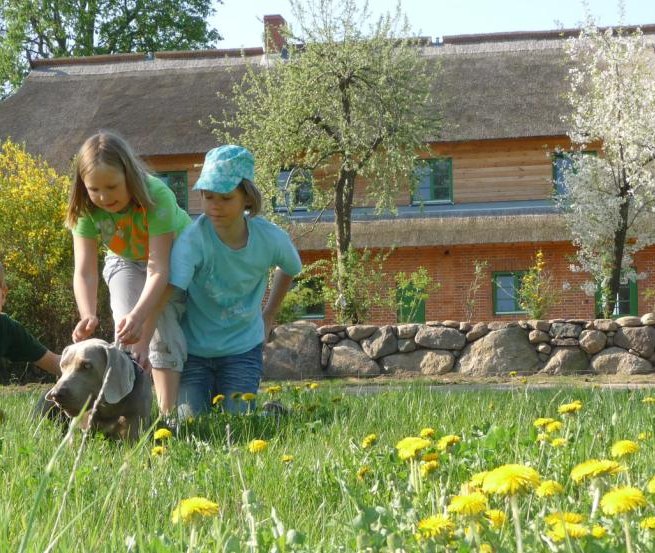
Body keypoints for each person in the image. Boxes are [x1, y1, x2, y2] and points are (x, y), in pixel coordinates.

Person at [65, 130, 191, 416]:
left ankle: (167, 416)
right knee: (126, 331)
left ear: (129, 175)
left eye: (111, 186)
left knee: (164, 328)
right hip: (124, 259)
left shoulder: (157, 196)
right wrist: (88, 314)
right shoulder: (86, 207)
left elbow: (158, 268)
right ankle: (128, 412)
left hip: (171, 260)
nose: (103, 196)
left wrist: (141, 319)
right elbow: (84, 271)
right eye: (94, 189)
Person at [169, 145, 302, 416]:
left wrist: (269, 314)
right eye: (208, 197)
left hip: (242, 349)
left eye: (226, 198)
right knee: (190, 423)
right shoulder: (192, 240)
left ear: (247, 199)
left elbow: (290, 267)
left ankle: (272, 414)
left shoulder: (270, 238)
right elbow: (172, 289)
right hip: (194, 351)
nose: (214, 206)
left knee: (238, 421)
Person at [0, 260, 60, 376]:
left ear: (3, 295)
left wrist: (89, 357)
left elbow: (55, 363)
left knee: (48, 394)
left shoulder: (6, 328)